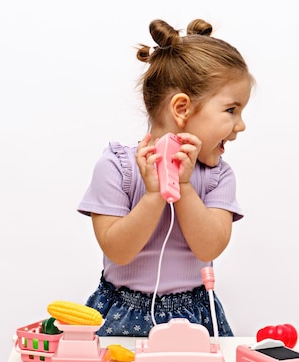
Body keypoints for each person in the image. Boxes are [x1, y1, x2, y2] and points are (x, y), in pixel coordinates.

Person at [77, 18, 253, 337]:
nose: (240, 125)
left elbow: (209, 247)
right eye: (231, 110)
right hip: (123, 311)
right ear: (182, 108)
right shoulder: (118, 167)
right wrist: (154, 195)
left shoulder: (217, 176)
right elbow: (117, 250)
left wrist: (183, 187)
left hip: (194, 312)